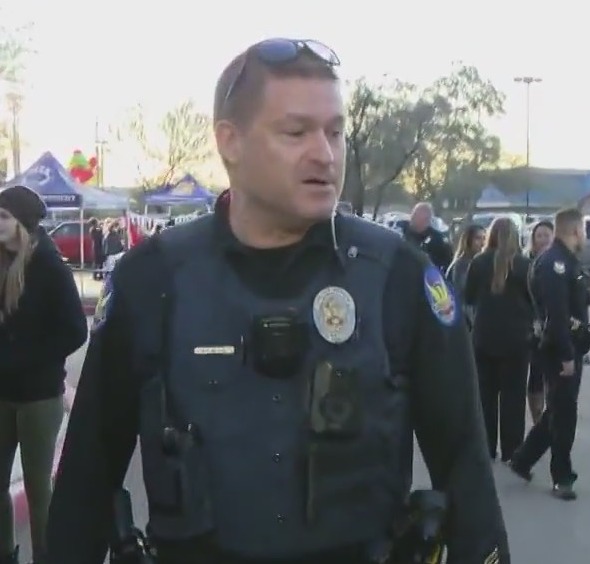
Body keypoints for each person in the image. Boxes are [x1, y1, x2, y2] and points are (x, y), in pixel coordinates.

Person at [47, 38, 508, 564]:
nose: (326, 153)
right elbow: (87, 474)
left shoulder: (398, 277)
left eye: (335, 131)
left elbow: (465, 463)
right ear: (230, 141)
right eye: (296, 132)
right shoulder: (151, 280)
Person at [0, 185, 88, 564]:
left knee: (39, 489)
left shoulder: (49, 266)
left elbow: (74, 330)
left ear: (22, 222)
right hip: (2, 392)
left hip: (38, 396)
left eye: (3, 217)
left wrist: (25, 358)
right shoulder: (2, 261)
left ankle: (46, 558)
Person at [508, 208, 590, 501]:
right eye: (584, 229)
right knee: (564, 416)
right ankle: (562, 477)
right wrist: (567, 355)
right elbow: (556, 315)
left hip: (569, 347)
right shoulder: (553, 264)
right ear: (574, 230)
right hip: (559, 351)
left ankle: (523, 459)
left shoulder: (567, 261)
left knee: (557, 410)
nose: (586, 235)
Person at [464, 217, 534, 462]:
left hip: (484, 337)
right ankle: (512, 448)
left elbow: (469, 297)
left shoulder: (479, 263)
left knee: (486, 395)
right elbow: (534, 301)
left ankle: (487, 445)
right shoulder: (525, 265)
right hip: (516, 340)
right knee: (513, 397)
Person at [524, 220, 554, 424]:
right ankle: (537, 419)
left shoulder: (559, 262)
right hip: (532, 327)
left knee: (553, 376)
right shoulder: (526, 262)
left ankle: (550, 418)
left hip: (555, 325)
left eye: (547, 235)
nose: (543, 239)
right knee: (535, 375)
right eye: (539, 235)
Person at [446, 223, 486, 323]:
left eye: (484, 238)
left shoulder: (479, 262)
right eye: (478, 238)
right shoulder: (462, 264)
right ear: (468, 241)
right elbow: (462, 294)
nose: (482, 243)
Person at [403, 202, 452, 272]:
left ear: (427, 220)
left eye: (417, 216)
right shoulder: (402, 233)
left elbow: (446, 267)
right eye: (413, 214)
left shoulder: (438, 241)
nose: (412, 218)